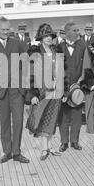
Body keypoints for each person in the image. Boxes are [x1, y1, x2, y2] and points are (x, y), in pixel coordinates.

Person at [0, 16, 30, 164]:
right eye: (3, 30)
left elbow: (26, 66)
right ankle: (7, 152)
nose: (6, 32)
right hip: (1, 92)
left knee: (18, 122)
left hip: (17, 91)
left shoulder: (18, 44)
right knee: (4, 123)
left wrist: (25, 88)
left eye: (7, 29)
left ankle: (17, 152)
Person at [26, 23, 65, 160]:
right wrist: (32, 95)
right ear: (41, 38)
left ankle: (50, 146)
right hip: (43, 91)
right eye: (45, 36)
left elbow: (62, 72)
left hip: (56, 91)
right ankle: (44, 149)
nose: (48, 38)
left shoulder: (56, 51)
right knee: (43, 118)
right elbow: (30, 75)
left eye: (50, 36)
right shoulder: (35, 53)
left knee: (52, 119)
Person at [58, 22, 86, 151]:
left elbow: (87, 66)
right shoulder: (58, 48)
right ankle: (64, 142)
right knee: (63, 116)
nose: (78, 33)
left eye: (78, 30)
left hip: (78, 87)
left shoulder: (83, 46)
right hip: (63, 87)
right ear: (67, 32)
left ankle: (75, 141)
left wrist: (83, 79)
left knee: (77, 116)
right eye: (75, 30)